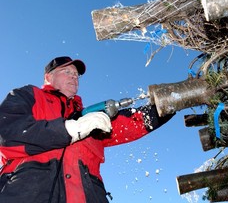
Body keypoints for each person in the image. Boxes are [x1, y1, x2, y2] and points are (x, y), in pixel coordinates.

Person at [0, 56, 174, 203]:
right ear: (48, 76)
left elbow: (130, 123)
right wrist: (69, 129)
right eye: (67, 72)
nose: (74, 77)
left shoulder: (91, 118)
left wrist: (168, 104)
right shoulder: (29, 95)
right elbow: (8, 133)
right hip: (26, 191)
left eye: (76, 75)